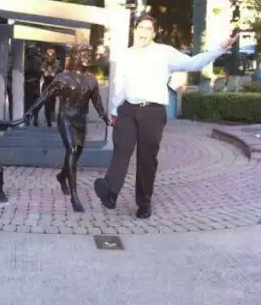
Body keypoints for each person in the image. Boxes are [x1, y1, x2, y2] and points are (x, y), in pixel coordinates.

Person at [93, 15, 238, 219]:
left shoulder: (164, 53)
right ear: (135, 30)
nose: (144, 31)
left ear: (153, 33)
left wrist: (218, 49)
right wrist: (115, 110)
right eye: (141, 27)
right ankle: (110, 192)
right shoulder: (126, 55)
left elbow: (192, 63)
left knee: (147, 158)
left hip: (152, 111)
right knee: (122, 148)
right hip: (128, 109)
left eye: (148, 28)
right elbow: (120, 85)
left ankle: (144, 203)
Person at [26, 44, 110, 212]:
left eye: (89, 53)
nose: (87, 56)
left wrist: (105, 118)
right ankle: (74, 196)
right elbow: (45, 96)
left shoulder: (91, 80)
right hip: (65, 118)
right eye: (83, 53)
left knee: (76, 154)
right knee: (71, 150)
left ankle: (62, 176)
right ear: (75, 56)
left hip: (81, 121)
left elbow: (97, 103)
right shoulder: (62, 78)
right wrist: (31, 110)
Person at [40, 47, 61, 127]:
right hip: (46, 84)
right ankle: (48, 118)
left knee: (53, 102)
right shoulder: (44, 63)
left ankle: (52, 116)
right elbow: (41, 69)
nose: (50, 56)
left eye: (51, 54)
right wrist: (44, 71)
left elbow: (58, 71)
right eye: (48, 54)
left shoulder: (57, 62)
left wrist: (54, 72)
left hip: (54, 85)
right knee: (46, 102)